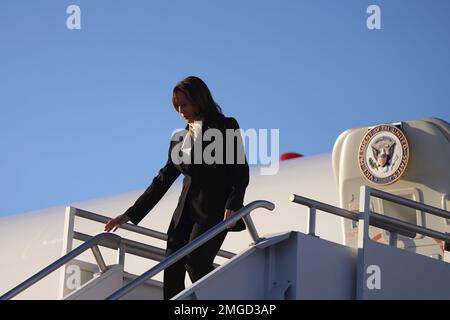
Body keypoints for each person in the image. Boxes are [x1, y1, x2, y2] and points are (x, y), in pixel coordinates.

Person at [104, 76, 250, 299]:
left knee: (196, 263)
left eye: (185, 104)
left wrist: (234, 204)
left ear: (200, 100)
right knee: (172, 270)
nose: (181, 111)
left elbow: (240, 171)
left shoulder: (226, 126)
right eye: (177, 106)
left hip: (214, 212)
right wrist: (129, 214)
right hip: (183, 216)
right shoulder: (179, 138)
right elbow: (162, 180)